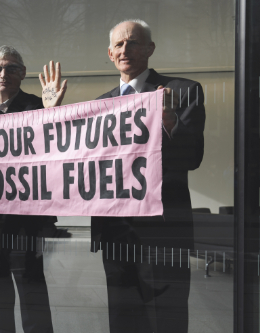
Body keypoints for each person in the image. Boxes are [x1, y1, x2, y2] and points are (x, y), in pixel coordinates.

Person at [90, 19, 206, 333]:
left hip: (164, 231)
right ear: (111, 54)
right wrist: (52, 112)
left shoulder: (183, 92)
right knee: (123, 321)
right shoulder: (100, 105)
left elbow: (192, 157)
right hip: (115, 232)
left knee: (166, 320)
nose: (125, 49)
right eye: (118, 44)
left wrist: (169, 122)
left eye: (133, 42)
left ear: (150, 49)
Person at [0, 45, 66, 333]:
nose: (2, 73)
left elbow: (54, 151)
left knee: (30, 288)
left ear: (22, 73)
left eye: (10, 67)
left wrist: (51, 116)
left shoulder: (39, 106)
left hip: (26, 221)